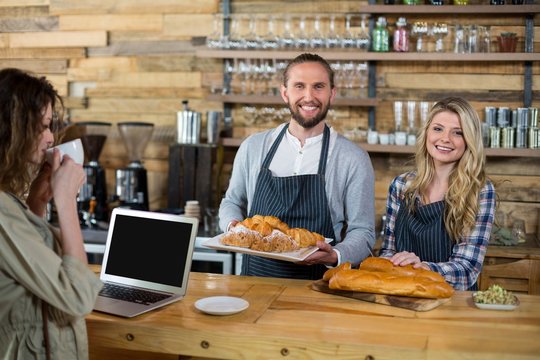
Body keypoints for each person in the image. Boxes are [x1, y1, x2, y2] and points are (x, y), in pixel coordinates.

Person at [219, 53, 375, 280]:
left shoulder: (353, 158)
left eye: (318, 87)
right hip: (254, 284)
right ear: (285, 93)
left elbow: (363, 231)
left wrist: (336, 255)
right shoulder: (253, 147)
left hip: (317, 290)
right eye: (299, 86)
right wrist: (233, 226)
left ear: (332, 93)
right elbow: (232, 202)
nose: (309, 96)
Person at [0, 68, 103, 359]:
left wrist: (37, 203)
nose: (50, 138)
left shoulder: (9, 202)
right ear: (13, 127)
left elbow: (27, 272)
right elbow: (78, 298)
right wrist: (66, 200)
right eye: (43, 126)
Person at [379, 96, 496, 290]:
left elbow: (467, 269)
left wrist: (422, 268)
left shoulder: (480, 191)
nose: (445, 139)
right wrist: (393, 264)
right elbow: (388, 251)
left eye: (457, 133)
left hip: (452, 303)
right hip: (402, 293)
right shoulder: (401, 186)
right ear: (426, 133)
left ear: (469, 141)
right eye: (438, 128)